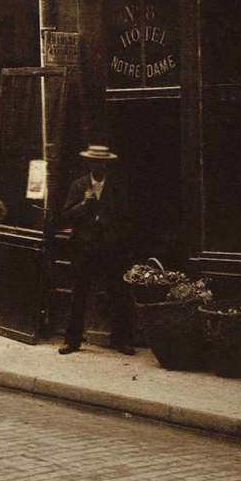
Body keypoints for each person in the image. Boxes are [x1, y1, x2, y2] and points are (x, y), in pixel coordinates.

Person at [58, 144, 135, 356]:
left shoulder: (117, 186)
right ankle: (72, 341)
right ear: (89, 163)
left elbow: (127, 217)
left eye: (102, 162)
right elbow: (65, 215)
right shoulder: (79, 185)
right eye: (94, 162)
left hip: (110, 248)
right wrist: (84, 204)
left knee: (117, 293)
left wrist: (116, 235)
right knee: (79, 293)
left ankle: (121, 340)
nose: (98, 166)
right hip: (84, 248)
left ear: (107, 164)